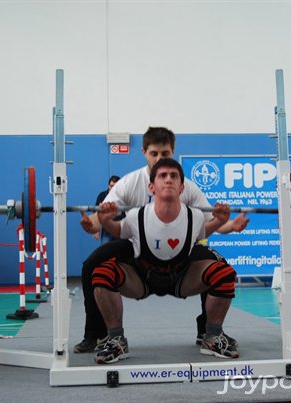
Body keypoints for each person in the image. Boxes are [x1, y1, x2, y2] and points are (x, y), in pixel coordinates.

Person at [74, 127, 249, 354]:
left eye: (165, 154)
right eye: (154, 154)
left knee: (220, 268)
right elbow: (101, 216)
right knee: (92, 265)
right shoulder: (129, 182)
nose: (159, 159)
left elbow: (210, 222)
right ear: (144, 152)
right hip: (138, 243)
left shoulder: (184, 185)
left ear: (173, 152)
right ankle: (96, 334)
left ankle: (210, 331)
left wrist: (232, 226)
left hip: (181, 244)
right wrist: (93, 225)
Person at [93, 158, 239, 364]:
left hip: (181, 277)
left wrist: (222, 223)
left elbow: (203, 232)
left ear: (182, 187)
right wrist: (106, 221)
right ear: (152, 187)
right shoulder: (136, 215)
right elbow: (119, 230)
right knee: (102, 272)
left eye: (174, 176)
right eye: (163, 176)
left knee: (223, 273)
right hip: (142, 278)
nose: (168, 180)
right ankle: (116, 340)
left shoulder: (195, 216)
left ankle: (212, 336)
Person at [93, 175, 120, 243]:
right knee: (106, 252)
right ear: (108, 186)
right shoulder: (102, 196)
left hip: (120, 229)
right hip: (107, 230)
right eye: (111, 186)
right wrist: (96, 230)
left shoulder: (123, 196)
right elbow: (96, 212)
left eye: (115, 186)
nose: (113, 188)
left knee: (121, 252)